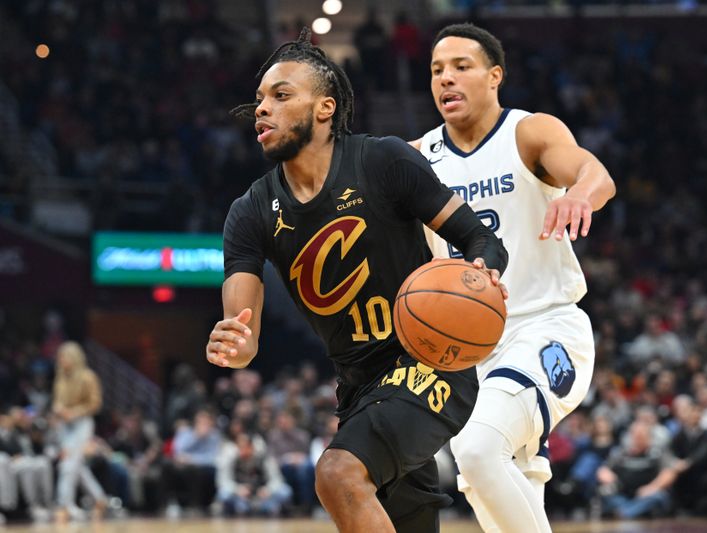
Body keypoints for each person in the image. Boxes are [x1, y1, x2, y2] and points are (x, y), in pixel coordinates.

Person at [206, 28, 508, 533]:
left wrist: (479, 278)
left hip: (430, 361)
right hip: (360, 388)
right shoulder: (250, 213)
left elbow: (481, 239)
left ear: (325, 108)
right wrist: (232, 345)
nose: (262, 108)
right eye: (259, 99)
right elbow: (245, 337)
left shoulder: (383, 160)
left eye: (281, 96)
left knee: (338, 471)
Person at [410, 23, 616, 532]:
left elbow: (596, 175)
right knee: (504, 484)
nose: (446, 79)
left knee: (476, 450)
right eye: (437, 70)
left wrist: (577, 195)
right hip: (466, 351)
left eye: (461, 66)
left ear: (494, 76)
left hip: (544, 327)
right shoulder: (416, 159)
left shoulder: (528, 132)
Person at [51, 341, 108, 522]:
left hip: (82, 423)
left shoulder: (88, 376)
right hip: (64, 426)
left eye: (64, 356)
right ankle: (99, 499)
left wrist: (75, 412)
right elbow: (57, 402)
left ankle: (63, 506)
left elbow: (95, 403)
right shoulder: (60, 378)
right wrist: (58, 409)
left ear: (74, 357)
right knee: (76, 466)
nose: (61, 360)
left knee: (68, 466)